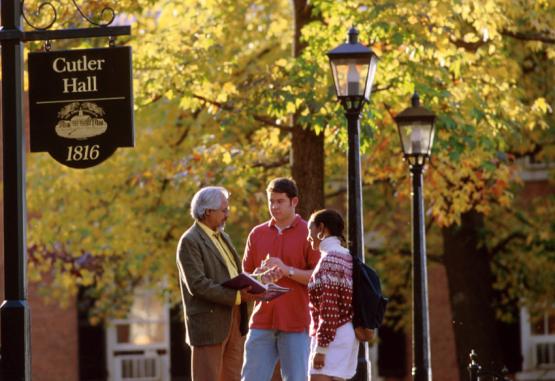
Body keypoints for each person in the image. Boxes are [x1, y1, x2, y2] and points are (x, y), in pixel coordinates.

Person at [241, 177, 320, 381]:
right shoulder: (256, 234)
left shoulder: (309, 233)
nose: (274, 206)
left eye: (279, 201)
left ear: (294, 202)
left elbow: (318, 277)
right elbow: (245, 278)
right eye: (271, 201)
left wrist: (287, 270)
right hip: (261, 322)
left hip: (296, 322)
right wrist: (260, 276)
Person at [176, 186, 259, 381]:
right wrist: (237, 296)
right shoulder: (190, 241)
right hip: (209, 324)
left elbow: (233, 275)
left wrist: (260, 279)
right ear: (207, 212)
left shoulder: (223, 237)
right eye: (224, 210)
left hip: (235, 319)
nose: (227, 214)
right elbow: (197, 285)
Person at [306, 209, 359, 381]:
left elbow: (329, 308)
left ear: (322, 228)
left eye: (310, 230)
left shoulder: (329, 260)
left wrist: (321, 349)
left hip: (331, 337)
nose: (308, 237)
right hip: (346, 332)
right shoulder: (347, 256)